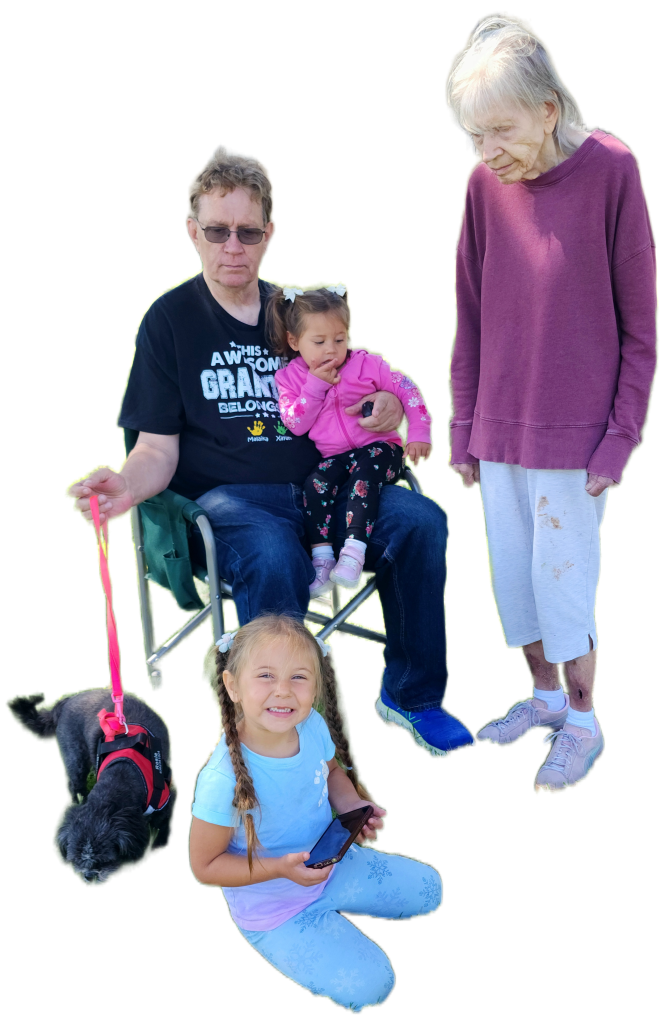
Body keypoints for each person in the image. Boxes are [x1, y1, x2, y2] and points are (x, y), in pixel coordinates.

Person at [66, 144, 475, 757]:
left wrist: (387, 407)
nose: (233, 246)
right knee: (274, 553)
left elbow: (358, 380)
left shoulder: (295, 312)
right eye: (217, 231)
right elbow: (156, 449)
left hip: (324, 489)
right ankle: (276, 739)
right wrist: (127, 484)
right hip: (229, 506)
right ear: (193, 232)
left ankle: (411, 696)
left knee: (421, 519)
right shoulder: (169, 321)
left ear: (270, 234)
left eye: (248, 231)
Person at [444, 15, 658, 792]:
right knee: (512, 583)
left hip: (574, 437)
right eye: (472, 135)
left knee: (563, 587)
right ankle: (541, 701)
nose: (485, 150)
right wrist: (461, 428)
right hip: (496, 427)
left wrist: (620, 438)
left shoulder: (611, 170)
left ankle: (582, 723)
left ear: (545, 109)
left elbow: (640, 327)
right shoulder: (482, 186)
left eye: (498, 130)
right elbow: (469, 315)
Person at [189, 614, 442, 1012]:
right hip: (275, 909)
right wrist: (281, 869)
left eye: (298, 677)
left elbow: (333, 773)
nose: (283, 691)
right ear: (233, 685)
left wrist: (352, 805)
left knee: (430, 890)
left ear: (316, 685)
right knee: (373, 987)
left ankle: (332, 897)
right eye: (266, 676)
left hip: (332, 867)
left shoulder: (311, 726)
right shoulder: (221, 779)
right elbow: (206, 867)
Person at [266, 283, 432, 595]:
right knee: (315, 485)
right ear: (294, 341)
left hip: (381, 450)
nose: (331, 349)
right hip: (336, 458)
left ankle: (354, 553)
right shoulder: (290, 378)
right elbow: (295, 423)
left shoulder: (367, 364)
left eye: (339, 339)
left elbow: (407, 389)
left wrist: (420, 431)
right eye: (319, 342)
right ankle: (322, 560)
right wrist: (314, 386)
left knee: (364, 476)